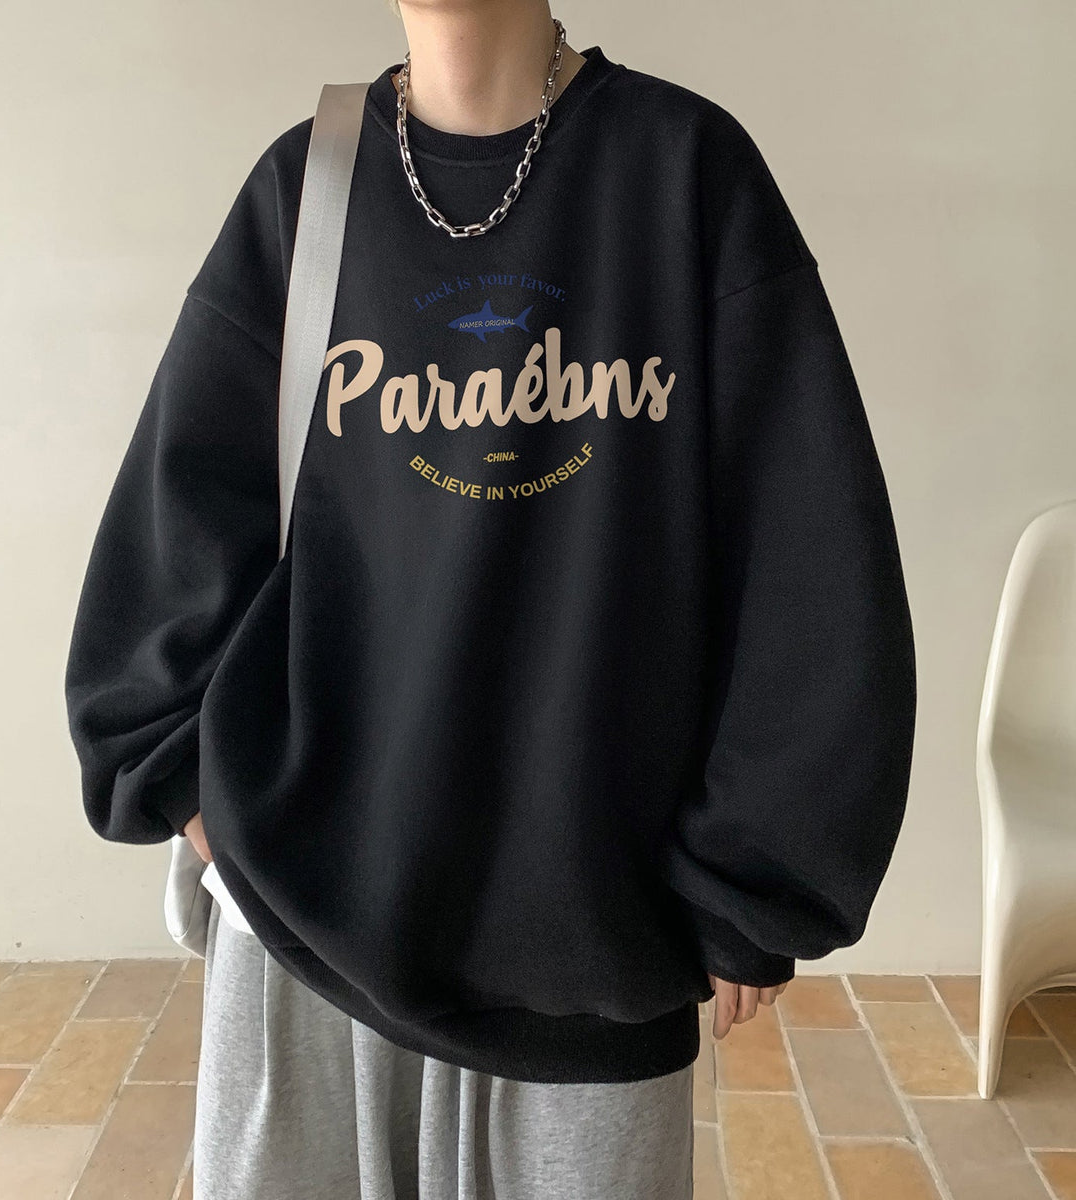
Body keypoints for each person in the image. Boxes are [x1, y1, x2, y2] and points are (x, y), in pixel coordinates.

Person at [64, 0, 917, 1196]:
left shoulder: (682, 171)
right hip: (301, 937)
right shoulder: (307, 187)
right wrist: (180, 781)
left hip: (592, 948)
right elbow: (180, 511)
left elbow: (807, 551)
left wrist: (758, 875)